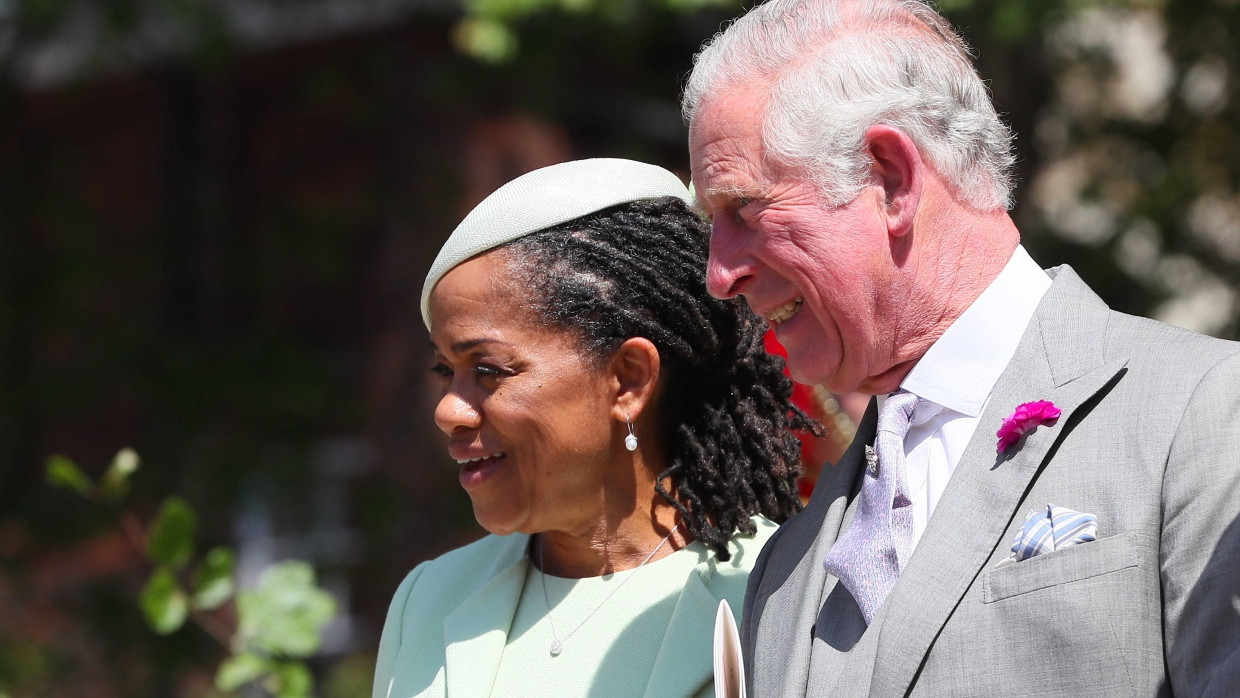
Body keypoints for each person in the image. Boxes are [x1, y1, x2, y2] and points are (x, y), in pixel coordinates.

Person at [682, 1, 1240, 695]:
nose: (719, 273)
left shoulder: (1206, 412)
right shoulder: (787, 566)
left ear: (889, 179)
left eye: (743, 209)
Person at [372, 158, 819, 698]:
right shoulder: (428, 600)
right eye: (447, 370)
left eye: (487, 371)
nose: (449, 410)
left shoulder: (786, 598)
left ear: (628, 380)